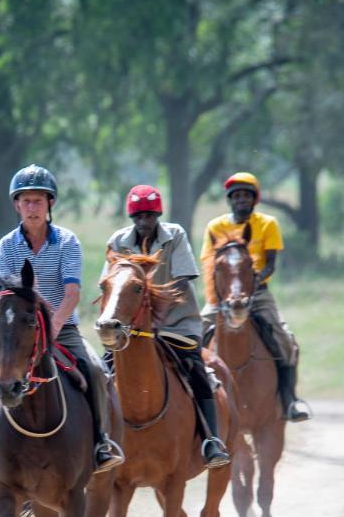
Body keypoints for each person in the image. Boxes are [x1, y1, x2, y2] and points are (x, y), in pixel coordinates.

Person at [0, 163, 125, 477]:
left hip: (62, 329)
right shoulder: (5, 247)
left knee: (95, 370)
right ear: (16, 205)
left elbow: (72, 294)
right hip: (17, 334)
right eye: (26, 201)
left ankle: (101, 443)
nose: (32, 207)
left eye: (38, 200)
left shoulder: (67, 241)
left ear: (50, 203)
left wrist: (51, 329)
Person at [103, 184, 231, 469]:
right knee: (103, 372)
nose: (145, 222)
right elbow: (111, 284)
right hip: (130, 328)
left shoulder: (175, 235)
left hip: (176, 324)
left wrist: (157, 319)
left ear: (158, 214)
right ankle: (100, 441)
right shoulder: (118, 241)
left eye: (149, 215)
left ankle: (211, 439)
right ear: (131, 217)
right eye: (139, 216)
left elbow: (183, 281)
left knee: (196, 368)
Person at [200, 172, 310, 422]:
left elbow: (271, 264)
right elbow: (209, 262)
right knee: (192, 336)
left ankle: (289, 399)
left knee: (285, 339)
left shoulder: (268, 224)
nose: (241, 200)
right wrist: (227, 288)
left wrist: (252, 283)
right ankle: (196, 400)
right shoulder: (215, 227)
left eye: (246, 195)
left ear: (254, 199)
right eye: (236, 196)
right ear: (230, 200)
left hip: (257, 293)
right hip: (223, 295)